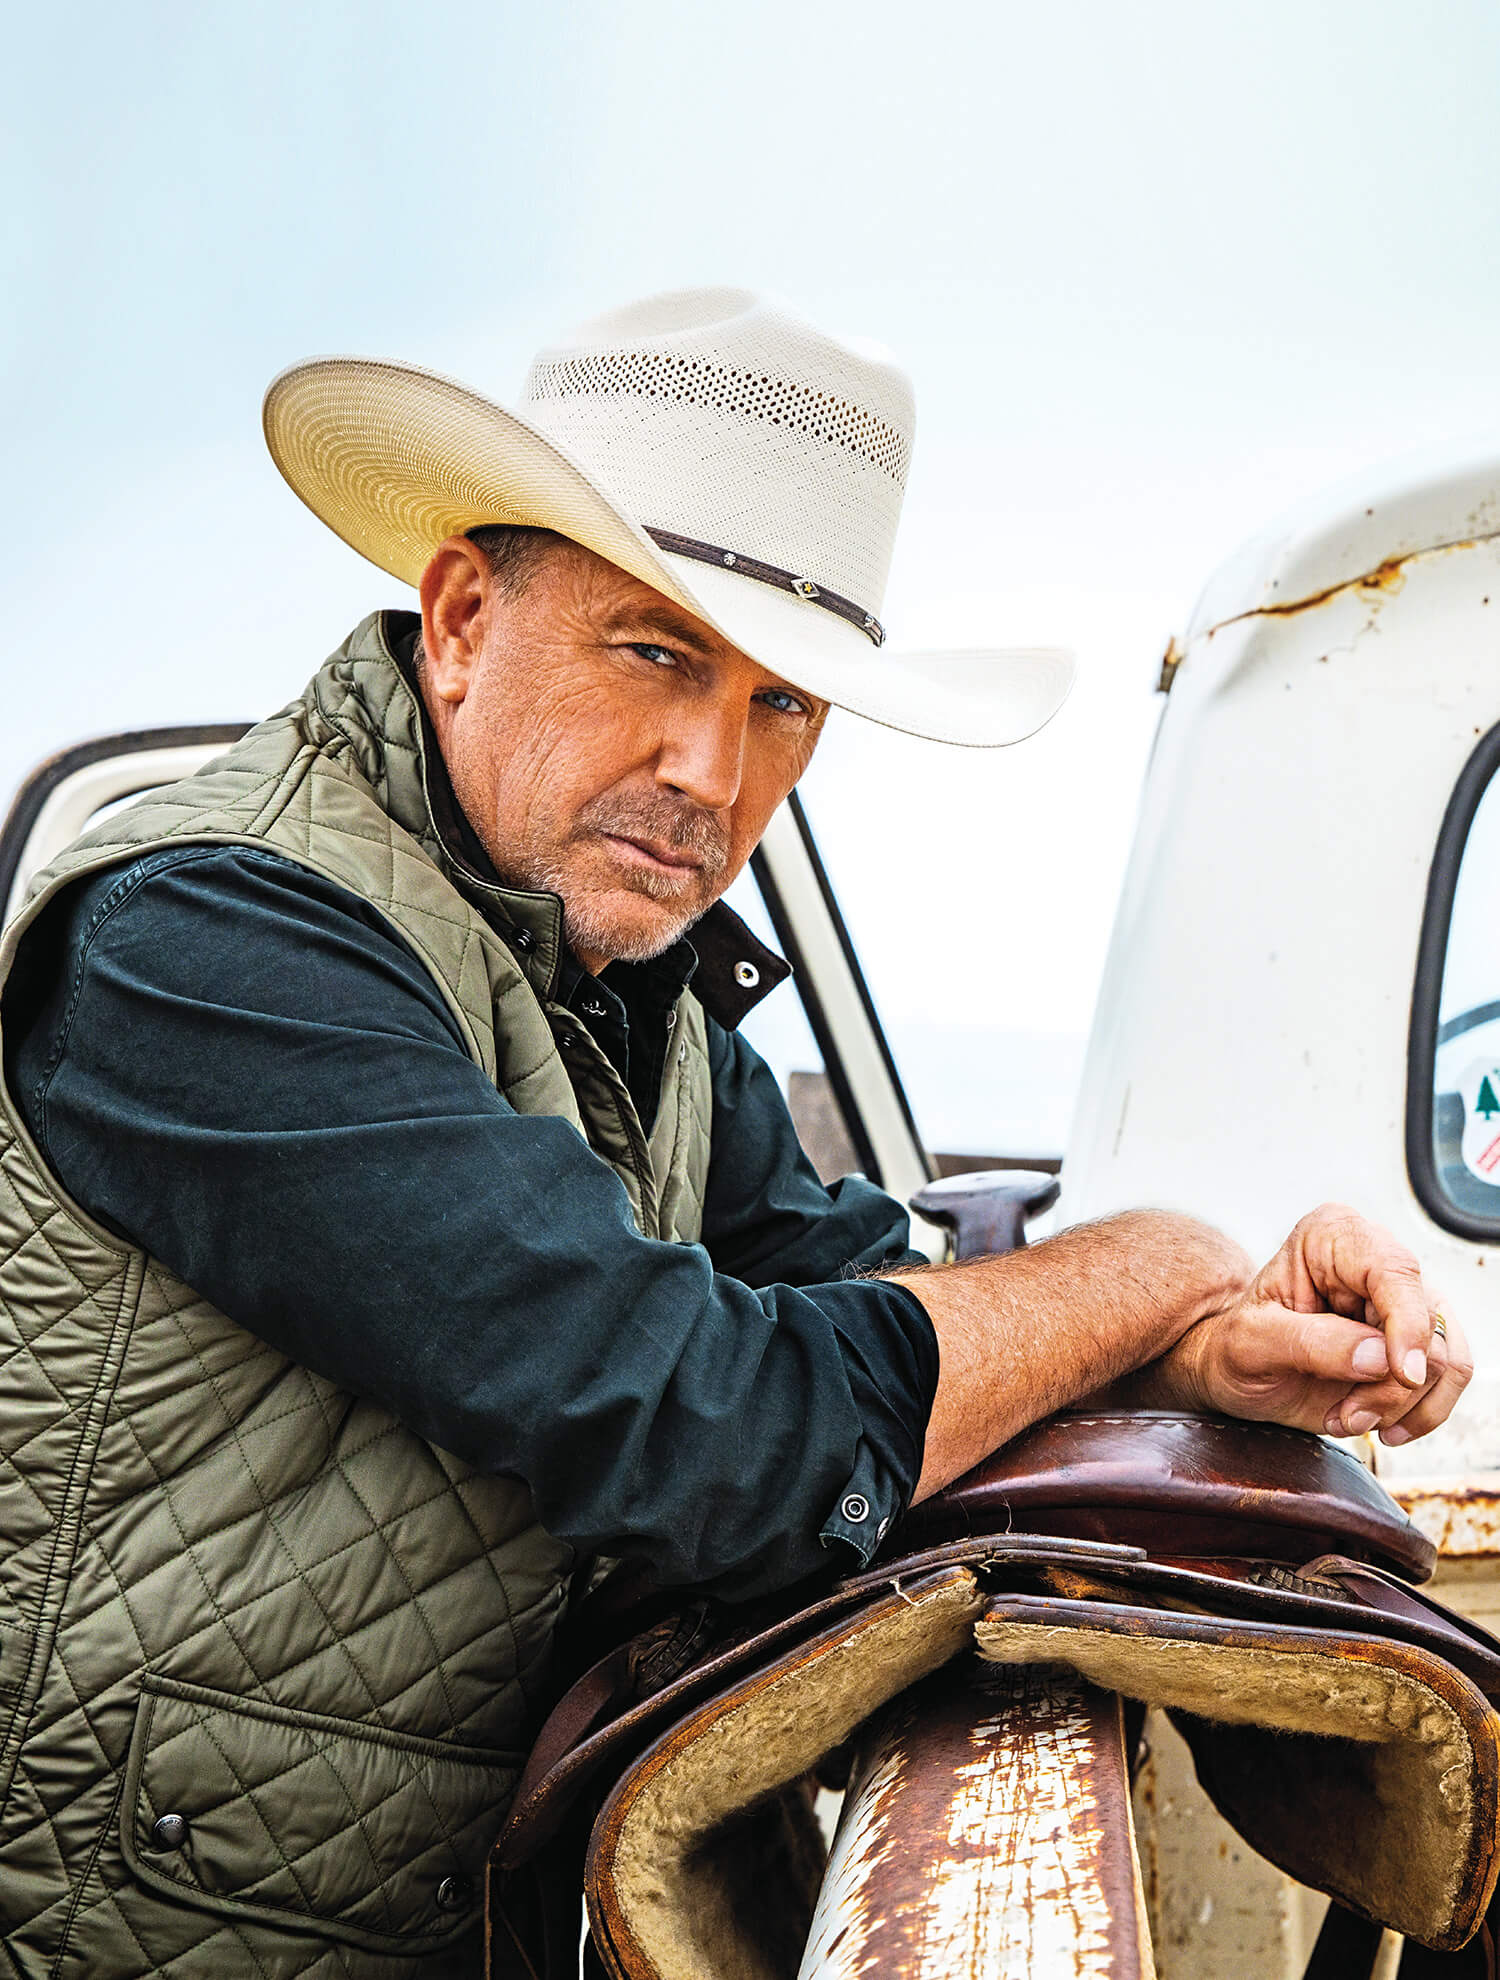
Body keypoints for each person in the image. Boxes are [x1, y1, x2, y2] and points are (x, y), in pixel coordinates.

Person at [0, 289, 1469, 1978]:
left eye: (784, 707)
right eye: (656, 654)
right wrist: (1153, 1266)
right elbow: (708, 1424)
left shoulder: (642, 1008)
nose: (713, 770)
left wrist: (1204, 1352)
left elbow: (857, 1289)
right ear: (464, 615)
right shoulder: (206, 941)